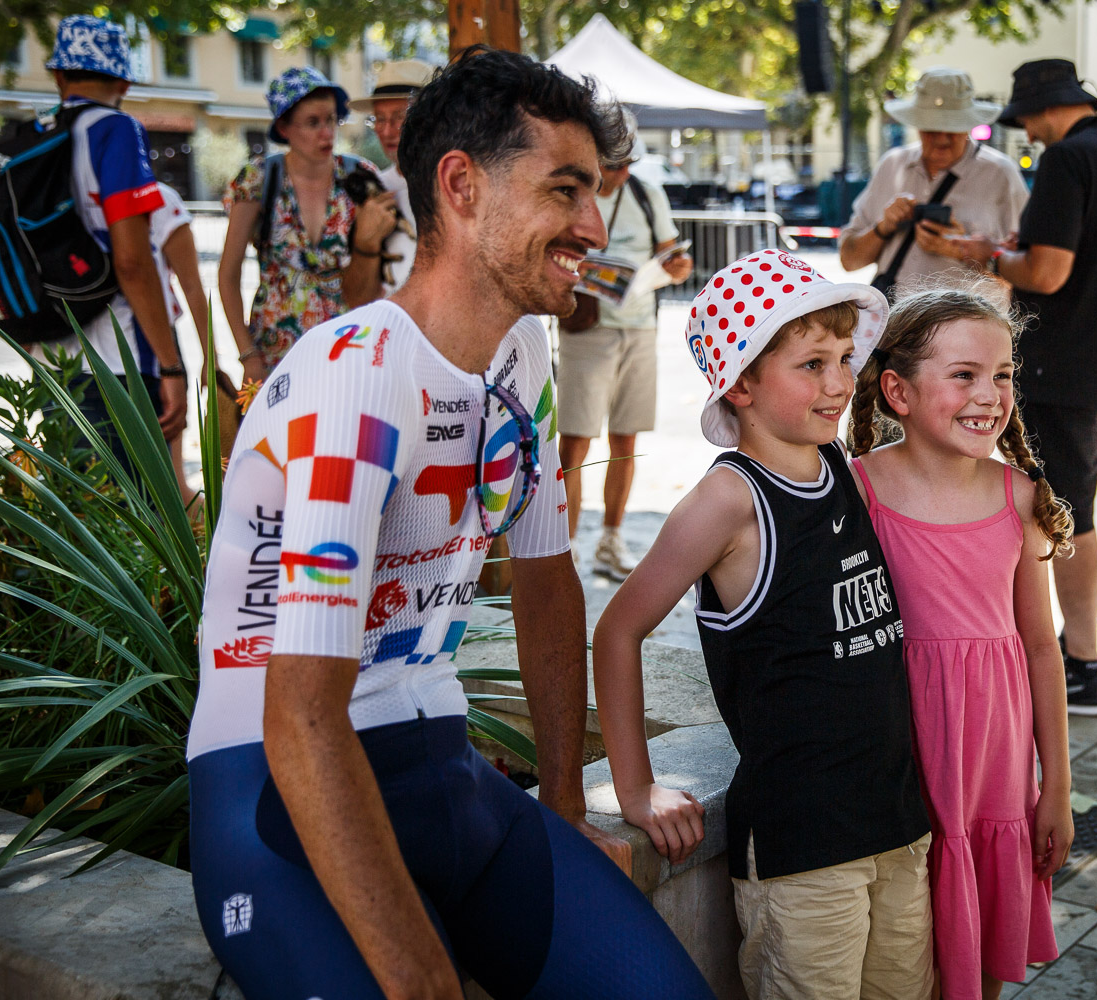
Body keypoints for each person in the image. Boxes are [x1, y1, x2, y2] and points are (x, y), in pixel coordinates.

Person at [186, 46, 713, 1000]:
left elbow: (549, 578)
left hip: (440, 762)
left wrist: (561, 804)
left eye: (596, 192)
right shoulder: (355, 373)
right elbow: (302, 716)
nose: (594, 225)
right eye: (565, 190)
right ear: (462, 187)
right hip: (275, 784)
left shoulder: (521, 352)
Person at [593, 248, 934, 1000]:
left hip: (899, 821)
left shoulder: (837, 462)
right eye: (811, 364)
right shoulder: (729, 501)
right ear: (741, 383)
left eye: (844, 357)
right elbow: (617, 631)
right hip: (803, 849)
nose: (841, 382)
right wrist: (636, 788)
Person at [848, 286, 1073, 999]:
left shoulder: (1018, 497)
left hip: (996, 762)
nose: (991, 394)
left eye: (1003, 374)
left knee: (982, 936)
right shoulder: (859, 493)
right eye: (965, 375)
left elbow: (1041, 648)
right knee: (908, 946)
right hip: (904, 754)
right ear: (898, 391)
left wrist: (1058, 787)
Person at [990, 58, 1097, 716]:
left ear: (1047, 108)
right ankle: (1070, 651)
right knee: (1072, 511)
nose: (1027, 133)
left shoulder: (1066, 161)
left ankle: (1083, 666)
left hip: (1059, 369)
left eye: (1027, 119)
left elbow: (1048, 272)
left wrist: (983, 256)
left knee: (1066, 521)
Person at [33, 15, 186, 468]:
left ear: (59, 76)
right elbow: (133, 262)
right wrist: (171, 365)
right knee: (140, 524)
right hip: (122, 366)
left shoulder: (33, 137)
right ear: (124, 79)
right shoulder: (116, 131)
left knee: (86, 519)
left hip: (52, 359)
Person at [557, 120, 692, 581]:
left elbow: (671, 253)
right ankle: (566, 547)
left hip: (639, 326)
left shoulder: (645, 193)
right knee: (574, 442)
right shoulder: (573, 188)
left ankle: (610, 541)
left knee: (626, 440)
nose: (618, 174)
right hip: (587, 326)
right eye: (612, 164)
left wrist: (676, 268)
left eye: (625, 164)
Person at [219, 66, 396, 382]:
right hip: (276, 354)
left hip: (349, 350)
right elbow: (228, 275)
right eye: (313, 123)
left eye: (331, 119)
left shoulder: (359, 176)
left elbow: (382, 271)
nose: (327, 133)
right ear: (284, 128)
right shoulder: (259, 179)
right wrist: (247, 355)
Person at [840, 67, 1027, 299]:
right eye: (931, 129)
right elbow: (849, 260)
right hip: (899, 326)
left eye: (952, 129)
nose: (941, 139)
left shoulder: (1001, 174)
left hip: (970, 328)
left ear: (969, 125)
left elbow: (1027, 276)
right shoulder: (892, 165)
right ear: (916, 124)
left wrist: (961, 251)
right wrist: (884, 227)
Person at [148, 182, 214, 508]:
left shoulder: (156, 197)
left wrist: (209, 358)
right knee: (172, 497)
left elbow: (191, 284)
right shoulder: (52, 184)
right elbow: (191, 285)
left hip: (152, 351)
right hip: (149, 353)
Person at [348, 59, 433, 295]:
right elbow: (357, 301)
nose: (386, 130)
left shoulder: (462, 187)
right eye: (379, 119)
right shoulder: (372, 191)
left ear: (432, 118)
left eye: (399, 116)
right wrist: (365, 245)